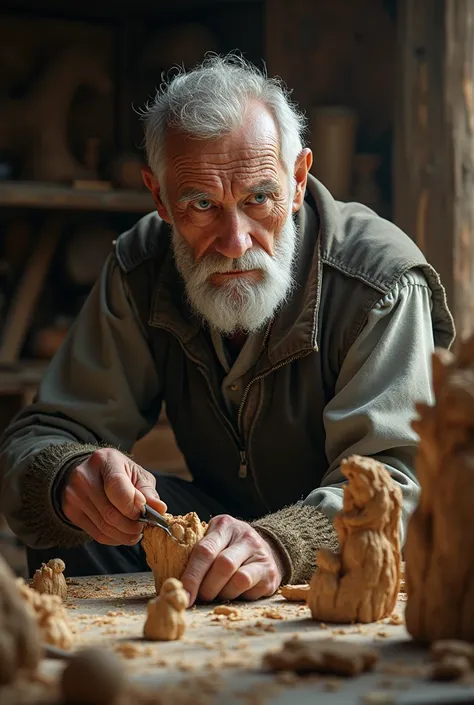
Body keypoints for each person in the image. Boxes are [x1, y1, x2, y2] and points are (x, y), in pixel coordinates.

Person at [0, 55, 454, 606]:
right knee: (76, 521)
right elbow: (39, 436)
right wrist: (68, 477)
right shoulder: (141, 266)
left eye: (259, 198)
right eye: (201, 204)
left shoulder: (378, 279)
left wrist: (282, 544)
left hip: (333, 552)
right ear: (160, 198)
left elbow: (396, 484)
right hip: (221, 529)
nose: (235, 240)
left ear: (298, 178)